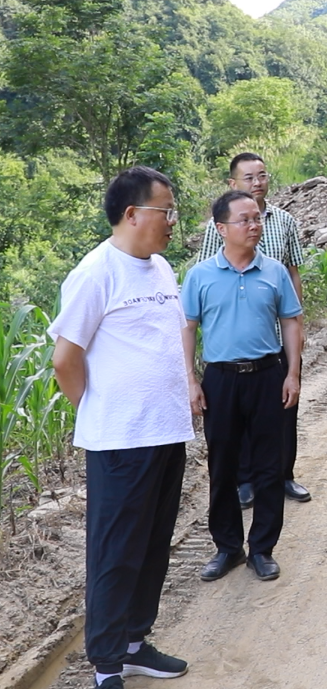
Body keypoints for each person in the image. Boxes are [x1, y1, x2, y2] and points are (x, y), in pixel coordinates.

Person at [49, 166, 194, 689]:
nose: (173, 220)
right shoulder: (95, 272)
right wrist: (99, 409)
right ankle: (107, 663)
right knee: (115, 551)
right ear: (132, 214)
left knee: (154, 544)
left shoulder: (160, 268)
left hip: (164, 430)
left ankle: (135, 643)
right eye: (165, 210)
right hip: (120, 439)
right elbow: (66, 359)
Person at [183, 190, 303, 582]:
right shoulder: (200, 275)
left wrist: (293, 373)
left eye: (257, 219)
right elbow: (188, 327)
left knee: (269, 466)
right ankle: (228, 548)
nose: (254, 226)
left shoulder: (274, 272)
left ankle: (263, 549)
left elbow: (291, 322)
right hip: (220, 379)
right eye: (244, 220)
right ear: (221, 228)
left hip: (268, 374)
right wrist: (191, 380)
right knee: (223, 466)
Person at [198, 153, 310, 506]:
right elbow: (207, 275)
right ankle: (246, 479)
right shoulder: (219, 226)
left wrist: (298, 322)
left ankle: (284, 475)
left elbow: (293, 272)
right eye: (248, 177)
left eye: (262, 175)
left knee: (284, 407)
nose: (257, 182)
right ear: (233, 184)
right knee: (241, 411)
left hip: (275, 331)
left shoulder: (284, 221)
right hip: (236, 332)